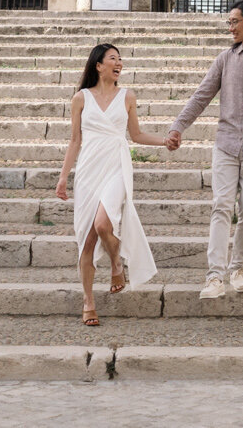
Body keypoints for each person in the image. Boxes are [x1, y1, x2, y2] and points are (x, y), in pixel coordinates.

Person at [162, 0, 243, 300]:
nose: (230, 27)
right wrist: (178, 126)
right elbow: (201, 96)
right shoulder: (224, 59)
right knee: (221, 205)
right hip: (226, 144)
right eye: (229, 22)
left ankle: (239, 269)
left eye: (235, 21)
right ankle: (215, 276)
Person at [56, 42, 159, 326]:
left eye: (120, 59)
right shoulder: (81, 98)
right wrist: (64, 176)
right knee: (86, 241)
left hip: (116, 165)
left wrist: (166, 141)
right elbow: (75, 140)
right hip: (89, 169)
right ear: (98, 65)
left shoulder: (127, 96)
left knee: (103, 224)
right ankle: (88, 301)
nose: (119, 63)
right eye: (113, 58)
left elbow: (135, 135)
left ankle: (116, 262)